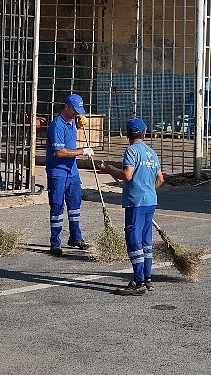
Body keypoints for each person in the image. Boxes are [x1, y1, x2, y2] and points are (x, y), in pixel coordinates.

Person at [99, 117, 165, 296]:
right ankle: (148, 277)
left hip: (136, 202)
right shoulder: (151, 152)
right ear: (144, 133)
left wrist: (109, 170)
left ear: (128, 134)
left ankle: (138, 281)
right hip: (150, 200)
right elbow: (160, 179)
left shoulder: (131, 151)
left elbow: (127, 175)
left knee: (133, 240)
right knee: (145, 241)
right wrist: (147, 191)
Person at [46, 94, 94, 255]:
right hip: (58, 172)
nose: (77, 113)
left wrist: (80, 125)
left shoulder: (73, 121)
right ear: (66, 107)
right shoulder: (56, 126)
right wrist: (82, 151)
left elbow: (72, 131)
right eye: (75, 110)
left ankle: (75, 237)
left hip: (72, 172)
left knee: (75, 205)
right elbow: (59, 152)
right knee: (57, 205)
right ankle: (55, 242)